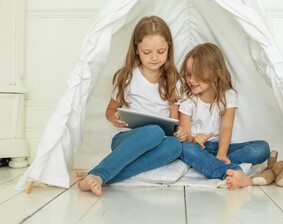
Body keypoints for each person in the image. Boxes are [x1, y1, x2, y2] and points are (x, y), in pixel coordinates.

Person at [75, 16, 187, 195]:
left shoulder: (174, 81)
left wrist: (180, 131)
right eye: (147, 52)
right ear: (136, 50)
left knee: (175, 146)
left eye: (160, 51)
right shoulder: (127, 77)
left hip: (159, 142)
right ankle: (101, 173)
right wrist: (115, 118)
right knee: (154, 131)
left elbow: (174, 121)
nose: (154, 57)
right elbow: (110, 110)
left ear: (169, 48)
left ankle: (98, 176)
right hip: (125, 139)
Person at [178, 43, 270, 191]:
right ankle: (234, 172)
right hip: (198, 147)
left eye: (197, 74)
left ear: (215, 74)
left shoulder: (228, 95)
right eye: (188, 74)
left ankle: (212, 164)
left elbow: (226, 127)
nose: (191, 80)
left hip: (222, 147)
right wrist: (194, 139)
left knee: (262, 148)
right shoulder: (187, 99)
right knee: (183, 148)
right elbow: (185, 133)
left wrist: (221, 153)